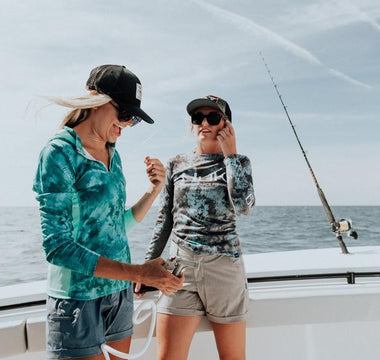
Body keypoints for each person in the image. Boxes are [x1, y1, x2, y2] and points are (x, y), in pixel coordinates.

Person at [33, 64, 183, 360]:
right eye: (124, 113)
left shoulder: (114, 154)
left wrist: (153, 191)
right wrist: (140, 273)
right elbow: (58, 248)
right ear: (94, 98)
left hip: (119, 297)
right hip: (77, 301)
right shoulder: (59, 153)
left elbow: (115, 225)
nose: (126, 124)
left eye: (133, 119)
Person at [140, 94, 255, 360]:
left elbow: (243, 207)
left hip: (225, 270)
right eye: (198, 118)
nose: (204, 123)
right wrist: (148, 266)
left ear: (225, 125)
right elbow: (165, 219)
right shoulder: (176, 164)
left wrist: (231, 155)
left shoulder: (239, 163)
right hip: (180, 269)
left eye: (213, 118)